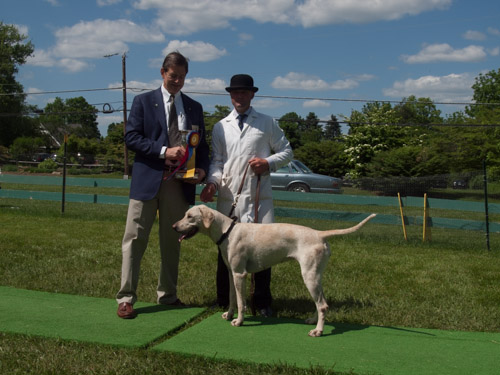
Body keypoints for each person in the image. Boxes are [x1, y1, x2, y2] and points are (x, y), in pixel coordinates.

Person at [116, 51, 210, 319]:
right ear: (162, 72)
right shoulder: (143, 101)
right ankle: (125, 298)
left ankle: (167, 295)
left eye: (182, 77)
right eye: (173, 76)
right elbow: (131, 137)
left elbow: (200, 145)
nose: (177, 81)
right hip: (148, 180)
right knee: (134, 239)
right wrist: (163, 151)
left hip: (178, 185)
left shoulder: (194, 107)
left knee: (172, 240)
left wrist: (201, 170)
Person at [200, 74, 293, 317]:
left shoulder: (266, 122)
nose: (239, 96)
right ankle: (223, 300)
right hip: (229, 197)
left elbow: (286, 152)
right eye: (234, 92)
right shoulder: (221, 126)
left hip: (258, 196)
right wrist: (212, 183)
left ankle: (262, 302)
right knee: (225, 250)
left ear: (252, 94)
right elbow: (217, 162)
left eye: (244, 92)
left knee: (264, 249)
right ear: (230, 95)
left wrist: (268, 162)